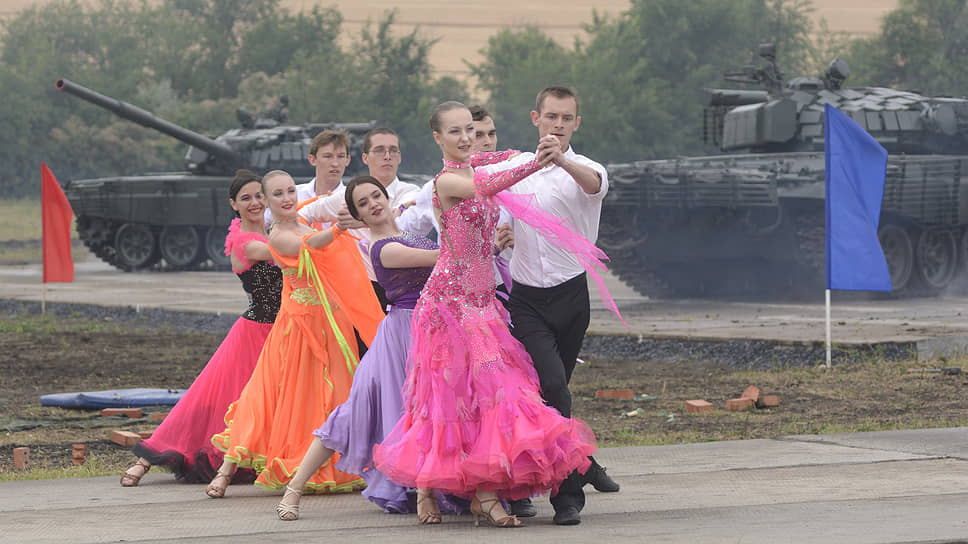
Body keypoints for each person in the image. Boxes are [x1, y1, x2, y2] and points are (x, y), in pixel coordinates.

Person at [372, 101, 597, 528]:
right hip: (448, 304)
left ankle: (481, 493)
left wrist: (543, 148)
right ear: (436, 137)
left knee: (496, 395)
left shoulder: (474, 160)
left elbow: (505, 156)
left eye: (470, 131)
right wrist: (535, 164)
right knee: (450, 398)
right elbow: (494, 182)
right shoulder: (448, 181)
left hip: (483, 302)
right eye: (454, 132)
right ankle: (443, 490)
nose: (465, 139)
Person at [204, 170, 384, 498]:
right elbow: (310, 246)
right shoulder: (276, 235)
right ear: (268, 202)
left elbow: (328, 205)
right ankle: (227, 468)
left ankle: (336, 461)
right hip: (299, 325)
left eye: (290, 191)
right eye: (278, 194)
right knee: (269, 393)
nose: (287, 198)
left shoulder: (304, 217)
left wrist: (360, 205)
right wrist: (338, 229)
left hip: (331, 322)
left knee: (334, 394)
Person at [275, 175, 447, 521]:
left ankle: (429, 489)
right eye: (364, 203)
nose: (373, 204)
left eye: (376, 196)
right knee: (354, 411)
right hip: (400, 335)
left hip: (432, 331)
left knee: (432, 411)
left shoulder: (412, 236)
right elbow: (445, 259)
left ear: (386, 197)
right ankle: (294, 489)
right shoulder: (381, 246)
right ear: (360, 216)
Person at [120, 170, 282, 486]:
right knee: (206, 401)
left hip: (283, 333)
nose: (254, 202)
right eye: (246, 198)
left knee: (273, 401)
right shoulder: (241, 242)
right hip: (253, 334)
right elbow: (279, 252)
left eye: (259, 195)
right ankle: (147, 457)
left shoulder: (275, 231)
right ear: (234, 204)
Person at [505, 86, 620, 526]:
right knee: (548, 386)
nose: (557, 124)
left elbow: (592, 186)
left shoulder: (588, 168)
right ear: (535, 117)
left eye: (566, 118)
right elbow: (492, 207)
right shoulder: (515, 168)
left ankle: (554, 487)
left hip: (571, 295)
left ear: (576, 123)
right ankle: (568, 488)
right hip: (527, 297)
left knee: (554, 397)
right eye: (550, 116)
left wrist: (561, 159)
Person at [300, 127, 420, 310]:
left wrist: (359, 221)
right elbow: (301, 215)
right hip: (358, 294)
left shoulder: (412, 192)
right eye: (379, 150)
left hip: (404, 292)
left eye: (393, 150)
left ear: (399, 157)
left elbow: (397, 222)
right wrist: (323, 240)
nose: (387, 156)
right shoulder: (347, 197)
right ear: (365, 158)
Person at [263, 129, 351, 228]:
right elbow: (259, 223)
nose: (335, 163)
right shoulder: (292, 195)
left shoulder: (353, 199)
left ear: (348, 160)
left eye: (341, 156)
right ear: (312, 160)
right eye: (328, 156)